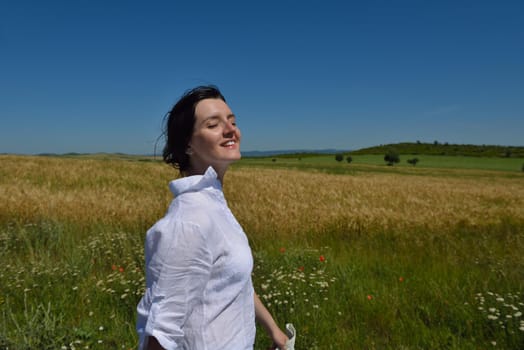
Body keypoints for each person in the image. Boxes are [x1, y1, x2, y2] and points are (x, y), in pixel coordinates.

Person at [136, 85, 289, 350]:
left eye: (232, 121)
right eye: (213, 124)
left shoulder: (215, 206)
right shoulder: (190, 221)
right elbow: (160, 334)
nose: (231, 130)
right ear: (187, 144)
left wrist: (273, 329)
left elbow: (234, 280)